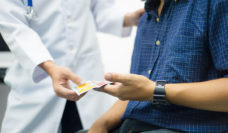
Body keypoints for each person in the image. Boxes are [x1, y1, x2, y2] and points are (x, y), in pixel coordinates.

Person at [0, 0, 144, 132]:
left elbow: (101, 11)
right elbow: (14, 27)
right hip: (38, 81)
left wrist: (129, 18)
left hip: (85, 76)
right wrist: (50, 67)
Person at [87, 0, 228, 133]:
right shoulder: (147, 17)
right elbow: (138, 92)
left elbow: (147, 90)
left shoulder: (213, 4)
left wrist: (155, 91)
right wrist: (102, 123)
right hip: (132, 125)